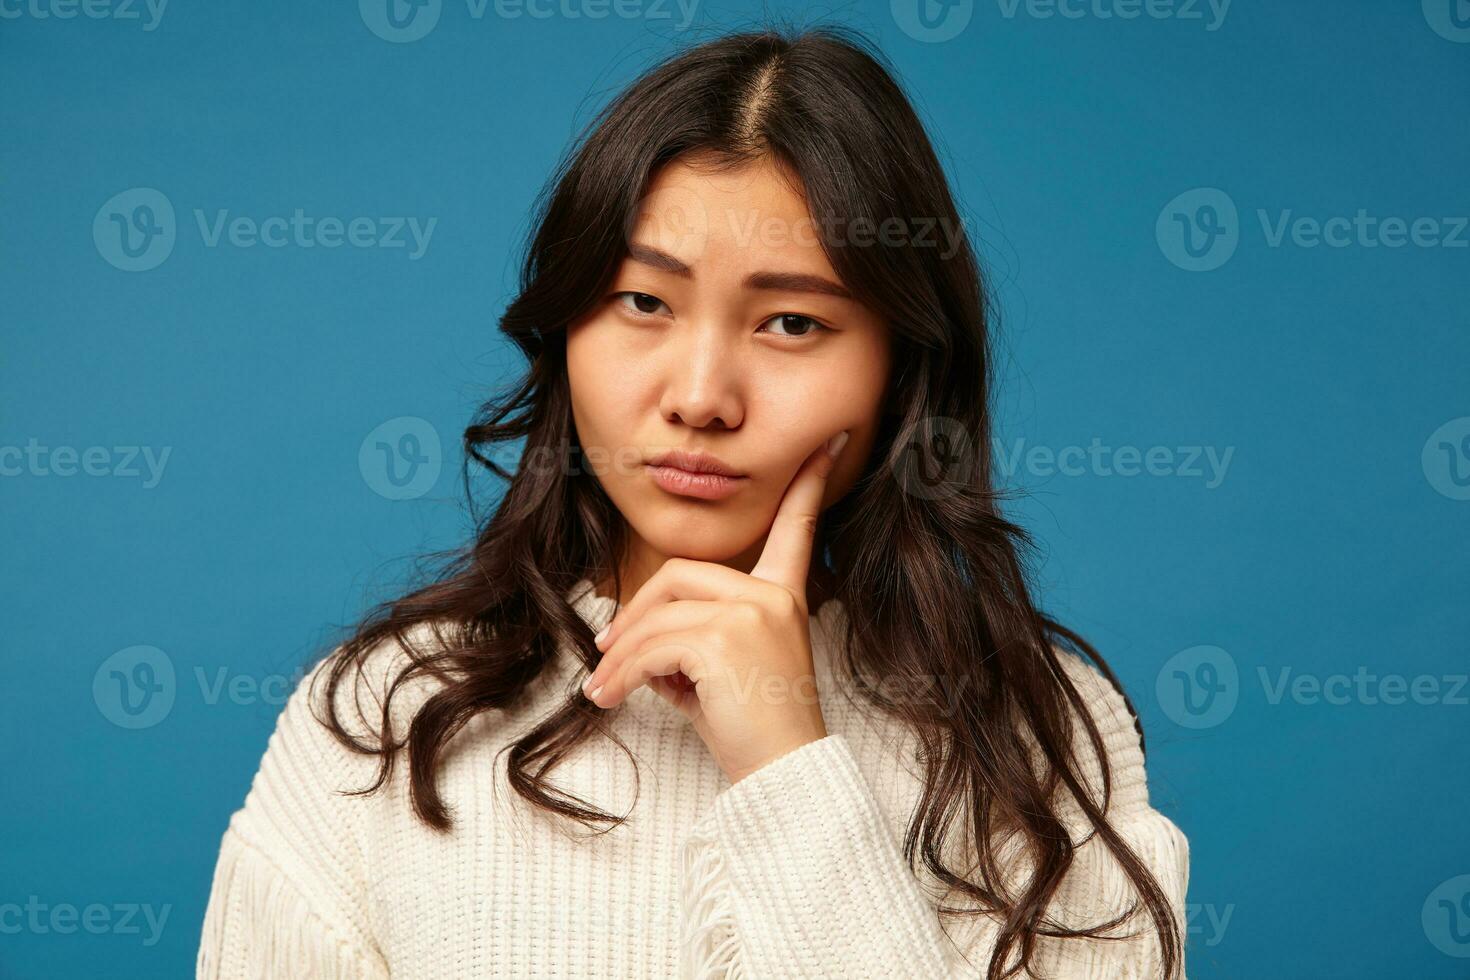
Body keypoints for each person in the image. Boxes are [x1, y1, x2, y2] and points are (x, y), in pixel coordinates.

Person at [197, 24, 1188, 979]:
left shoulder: (1040, 737)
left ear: (901, 365)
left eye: (791, 321)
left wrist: (790, 763)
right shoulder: (390, 711)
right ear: (567, 328)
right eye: (643, 302)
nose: (702, 396)